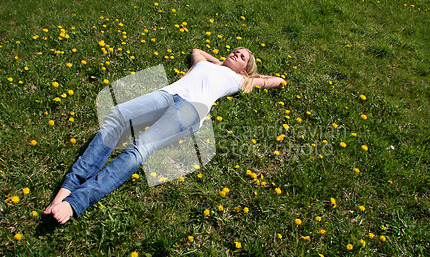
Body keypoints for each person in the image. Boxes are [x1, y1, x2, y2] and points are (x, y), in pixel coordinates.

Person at [44, 47, 286, 224]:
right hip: (168, 94)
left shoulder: (241, 80)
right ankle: (68, 188)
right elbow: (197, 50)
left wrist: (248, 76)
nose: (236, 54)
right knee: (117, 115)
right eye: (235, 50)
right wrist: (220, 61)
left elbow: (276, 81)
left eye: (242, 57)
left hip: (191, 109)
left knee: (139, 149)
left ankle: (76, 202)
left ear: (246, 68)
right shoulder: (207, 63)